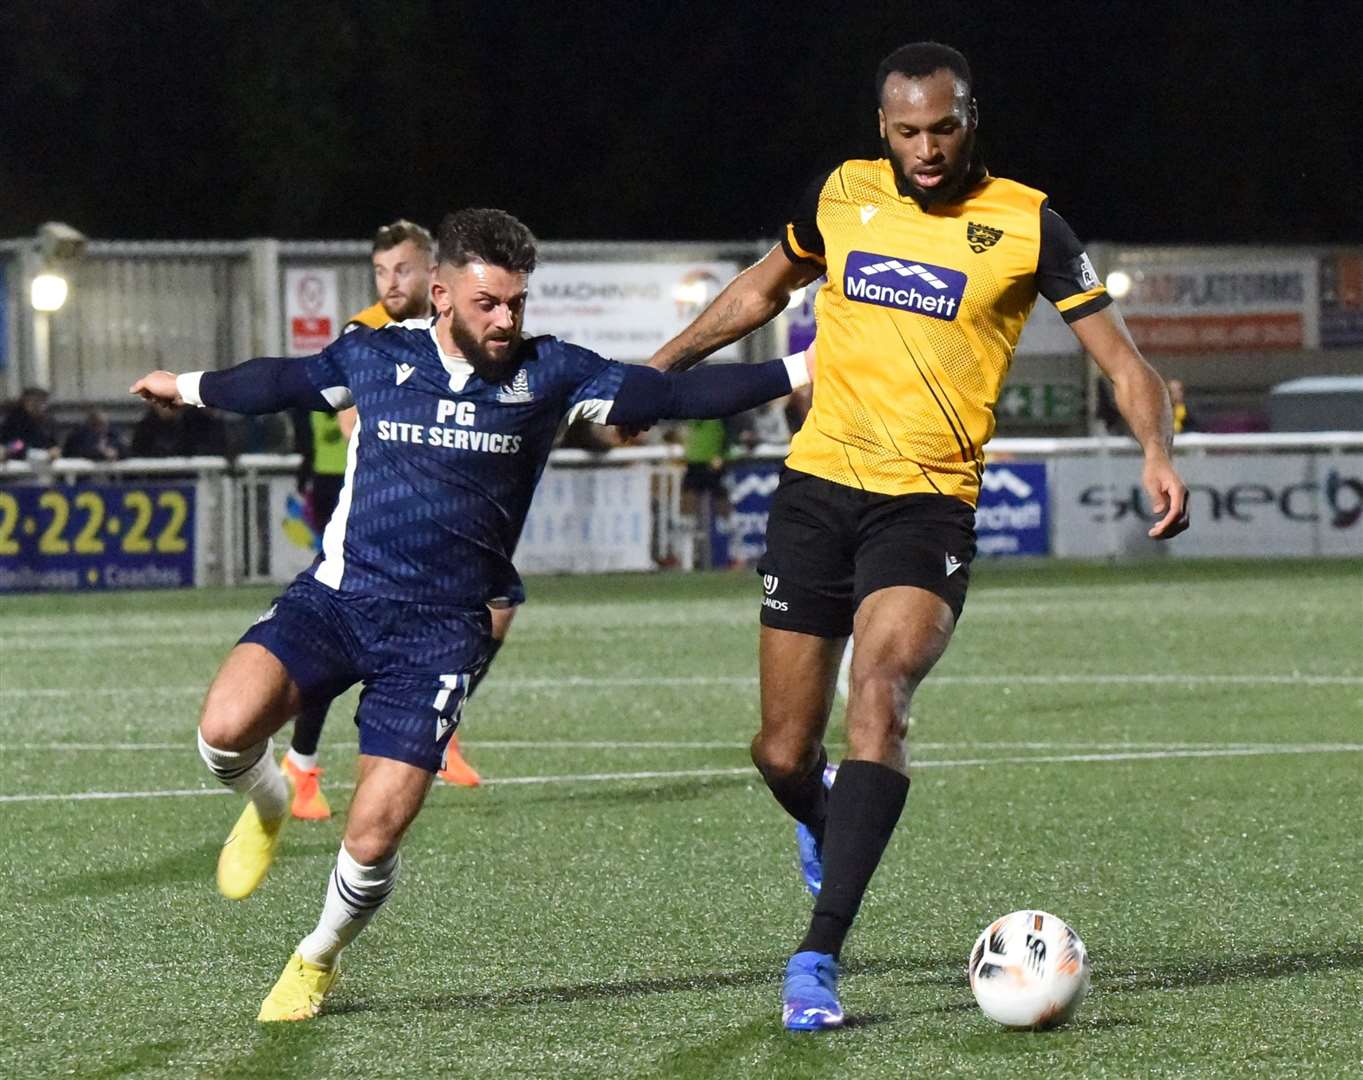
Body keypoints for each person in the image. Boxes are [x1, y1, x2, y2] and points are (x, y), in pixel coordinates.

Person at [129, 207, 812, 1023]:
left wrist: (805, 366)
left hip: (440, 631)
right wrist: (185, 386)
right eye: (489, 303)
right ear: (442, 295)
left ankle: (316, 958)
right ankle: (272, 802)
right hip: (338, 599)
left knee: (374, 834)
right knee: (221, 732)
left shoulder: (550, 372)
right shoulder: (376, 354)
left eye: (518, 302)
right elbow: (278, 380)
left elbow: (677, 393)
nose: (507, 320)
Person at [648, 42, 1190, 1031]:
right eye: (907, 132)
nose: (926, 148)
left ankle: (816, 957)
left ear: (970, 118)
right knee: (777, 750)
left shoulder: (1027, 224)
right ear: (882, 130)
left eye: (943, 128)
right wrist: (655, 374)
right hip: (815, 492)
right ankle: (826, 813)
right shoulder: (842, 195)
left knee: (880, 694)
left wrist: (1154, 446)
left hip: (926, 507)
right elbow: (760, 290)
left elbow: (1121, 359)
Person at [283, 219, 481, 817]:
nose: (391, 283)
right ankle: (303, 763)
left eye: (403, 270)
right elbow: (356, 429)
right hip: (365, 511)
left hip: (433, 514)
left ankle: (437, 731)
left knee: (489, 610)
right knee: (342, 632)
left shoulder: (455, 330)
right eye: (380, 272)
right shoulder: (364, 334)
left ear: (432, 273)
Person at [0, 387, 61, 460]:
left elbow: (53, 444)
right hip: (17, 459)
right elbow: (10, 445)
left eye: (41, 402)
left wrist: (54, 450)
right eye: (33, 401)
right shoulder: (14, 420)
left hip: (43, 460)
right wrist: (15, 448)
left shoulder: (49, 422)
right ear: (24, 402)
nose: (37, 405)